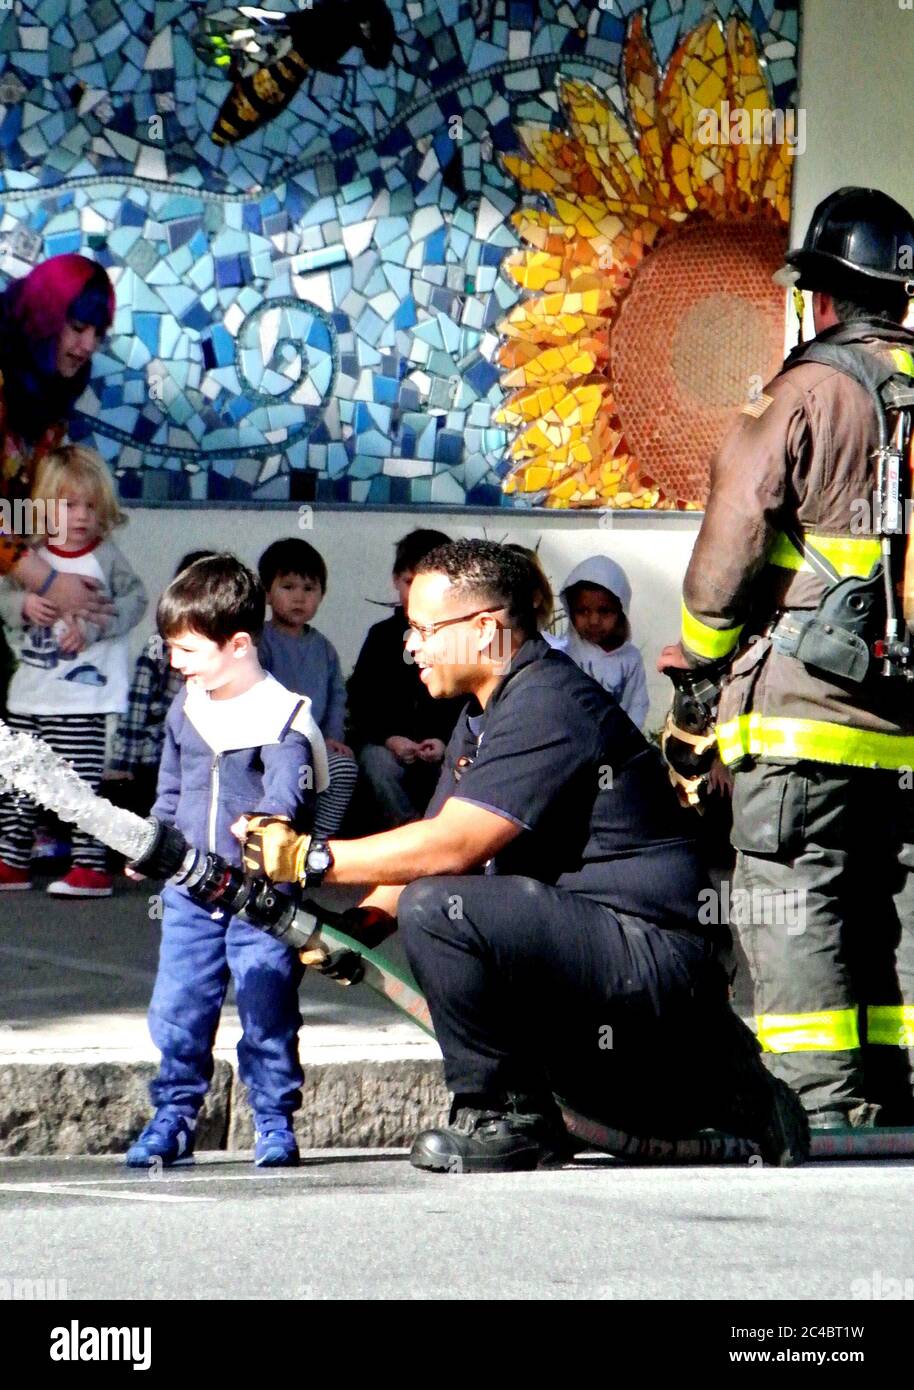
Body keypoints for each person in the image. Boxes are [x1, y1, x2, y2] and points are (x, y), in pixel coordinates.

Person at [239, 540, 809, 1173]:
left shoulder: (549, 703)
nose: (412, 646)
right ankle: (723, 1089)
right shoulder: (486, 711)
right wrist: (361, 927)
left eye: (424, 629)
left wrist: (307, 860)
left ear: (485, 630)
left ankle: (505, 1115)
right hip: (601, 960)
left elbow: (456, 847)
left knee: (443, 910)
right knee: (438, 902)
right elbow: (433, 837)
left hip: (653, 958)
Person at [659, 187, 914, 1130]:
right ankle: (894, 1095)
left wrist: (698, 675)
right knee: (884, 906)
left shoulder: (806, 392)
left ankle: (819, 1104)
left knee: (795, 891)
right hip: (909, 731)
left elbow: (727, 559)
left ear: (822, 296)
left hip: (806, 714)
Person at [124, 554, 327, 1170]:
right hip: (190, 889)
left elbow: (288, 786)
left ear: (238, 644)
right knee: (179, 1005)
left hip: (260, 896)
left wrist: (267, 820)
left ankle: (272, 1119)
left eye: (185, 650)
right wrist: (154, 842)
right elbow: (171, 786)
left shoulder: (282, 714)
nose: (174, 662)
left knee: (267, 1004)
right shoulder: (188, 708)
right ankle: (176, 1115)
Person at [0, 446, 147, 896]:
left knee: (77, 782)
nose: (81, 516)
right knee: (17, 781)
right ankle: (11, 859)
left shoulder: (106, 557)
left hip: (83, 698)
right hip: (31, 691)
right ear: (44, 506)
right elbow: (3, 599)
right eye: (69, 504)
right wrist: (23, 605)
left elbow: (135, 601)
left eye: (90, 506)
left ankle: (91, 865)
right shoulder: (29, 556)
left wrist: (94, 626)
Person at [0, 255, 117, 699]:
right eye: (76, 327)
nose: (87, 346)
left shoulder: (54, 387)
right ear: (44, 318)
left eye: (98, 334)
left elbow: (25, 504)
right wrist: (48, 581)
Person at [346, 528, 464, 828]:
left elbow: (468, 701)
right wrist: (389, 738)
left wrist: (443, 739)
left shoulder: (459, 640)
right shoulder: (382, 637)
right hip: (389, 747)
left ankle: (444, 835)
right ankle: (408, 828)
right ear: (395, 580)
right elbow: (362, 699)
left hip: (445, 745)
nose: (415, 594)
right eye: (408, 582)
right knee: (376, 764)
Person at [105, 551, 217, 820]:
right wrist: (124, 763)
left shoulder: (226, 651)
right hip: (155, 757)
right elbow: (138, 705)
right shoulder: (160, 646)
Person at [256, 537, 357, 837]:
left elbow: (338, 697)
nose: (299, 598)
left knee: (343, 768)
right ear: (267, 594)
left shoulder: (324, 648)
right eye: (288, 588)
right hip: (270, 743)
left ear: (322, 595)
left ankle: (319, 844)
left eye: (309, 589)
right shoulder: (259, 642)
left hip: (316, 743)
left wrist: (332, 737)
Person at [552, 556, 649, 731]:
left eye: (604, 611)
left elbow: (638, 706)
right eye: (583, 611)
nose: (594, 620)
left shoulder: (630, 659)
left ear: (620, 612)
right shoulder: (562, 654)